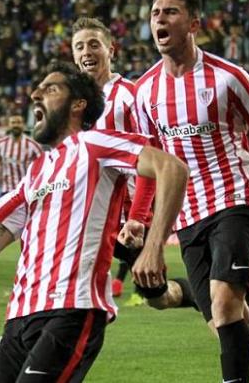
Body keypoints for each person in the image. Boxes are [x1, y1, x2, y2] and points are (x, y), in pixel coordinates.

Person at [0, 62, 188, 382]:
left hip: (73, 308)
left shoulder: (98, 145)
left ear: (78, 104)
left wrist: (153, 248)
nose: (34, 95)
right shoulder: (36, 171)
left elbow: (172, 169)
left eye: (50, 89)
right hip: (20, 318)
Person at [123, 0, 249, 382]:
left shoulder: (228, 77)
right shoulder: (145, 90)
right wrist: (139, 217)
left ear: (194, 23)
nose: (160, 20)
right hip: (187, 214)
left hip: (233, 198)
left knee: (224, 308)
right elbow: (154, 163)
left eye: (170, 12)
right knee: (228, 320)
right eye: (155, 13)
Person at [71, 16, 198, 310]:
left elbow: (151, 159)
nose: (87, 52)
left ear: (111, 50)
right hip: (96, 215)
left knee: (159, 296)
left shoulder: (129, 96)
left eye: (94, 45)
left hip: (129, 219)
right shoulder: (74, 104)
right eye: (80, 47)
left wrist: (138, 217)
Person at [0, 111, 44, 194]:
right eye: (13, 122)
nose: (16, 125)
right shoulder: (1, 143)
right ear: (9, 125)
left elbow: (43, 164)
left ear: (23, 125)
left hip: (26, 191)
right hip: (7, 190)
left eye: (19, 122)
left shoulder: (33, 145)